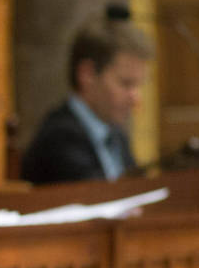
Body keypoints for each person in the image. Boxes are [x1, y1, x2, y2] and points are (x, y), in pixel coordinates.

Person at [19, 13, 154, 184]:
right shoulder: (60, 137)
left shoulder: (116, 135)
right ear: (87, 74)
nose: (135, 99)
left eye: (138, 86)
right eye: (126, 84)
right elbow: (97, 201)